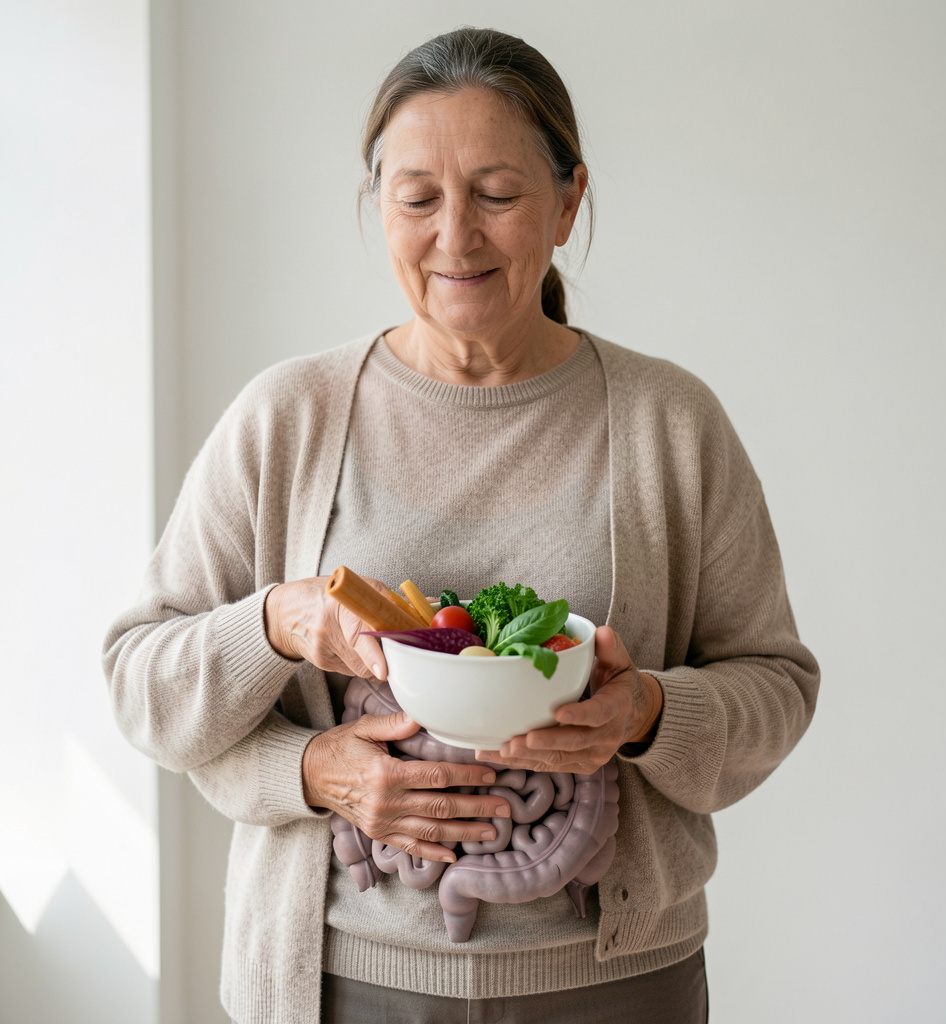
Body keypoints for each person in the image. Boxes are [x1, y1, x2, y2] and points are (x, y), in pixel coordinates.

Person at [103, 26, 819, 1024]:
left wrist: (646, 712)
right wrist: (294, 700)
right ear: (377, 208)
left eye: (496, 194)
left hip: (612, 985)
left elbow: (776, 683)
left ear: (568, 201)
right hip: (341, 983)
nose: (455, 237)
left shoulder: (667, 421)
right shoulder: (290, 417)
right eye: (418, 199)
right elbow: (141, 680)